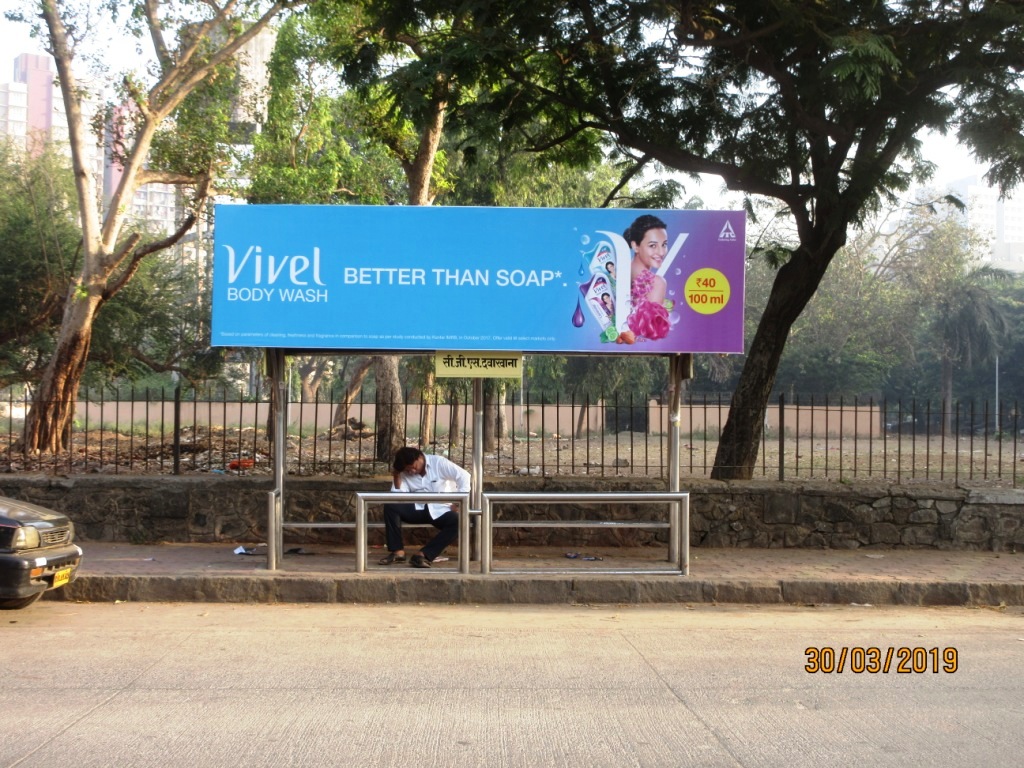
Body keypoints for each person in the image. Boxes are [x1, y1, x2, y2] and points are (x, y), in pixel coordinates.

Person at [379, 446, 471, 568]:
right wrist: (397, 477)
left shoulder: (438, 462)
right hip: (417, 508)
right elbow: (398, 497)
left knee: (460, 522)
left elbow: (464, 476)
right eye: (408, 470)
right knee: (391, 506)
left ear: (420, 457)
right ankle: (398, 552)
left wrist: (459, 501)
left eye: (413, 467)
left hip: (441, 508)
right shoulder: (404, 472)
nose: (411, 471)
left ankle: (423, 555)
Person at [623, 214, 671, 341]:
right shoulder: (657, 283)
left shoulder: (617, 271)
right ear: (635, 246)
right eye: (653, 245)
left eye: (664, 244)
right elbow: (651, 333)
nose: (661, 252)